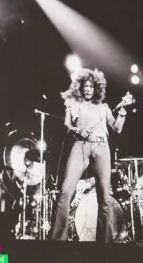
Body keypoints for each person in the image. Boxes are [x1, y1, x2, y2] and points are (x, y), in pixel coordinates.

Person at [50, 69, 127, 242]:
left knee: (104, 198)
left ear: (96, 89)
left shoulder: (103, 107)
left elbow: (117, 128)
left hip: (102, 147)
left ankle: (104, 244)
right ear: (80, 88)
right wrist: (77, 129)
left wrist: (122, 112)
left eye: (91, 87)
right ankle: (57, 241)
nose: (88, 89)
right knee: (65, 191)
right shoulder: (74, 104)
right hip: (80, 146)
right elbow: (67, 125)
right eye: (85, 86)